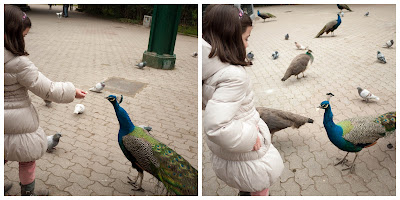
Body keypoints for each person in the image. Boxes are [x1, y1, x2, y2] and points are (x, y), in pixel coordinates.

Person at [4, 5, 87, 196]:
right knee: (27, 158)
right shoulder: (19, 64)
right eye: (23, 36)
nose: (24, 40)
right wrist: (71, 91)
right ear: (12, 35)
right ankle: (27, 193)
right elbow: (48, 89)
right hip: (19, 124)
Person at [202, 5, 284, 196]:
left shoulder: (210, 70)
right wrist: (251, 138)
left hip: (234, 154)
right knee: (259, 186)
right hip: (247, 151)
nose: (247, 45)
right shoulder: (233, 76)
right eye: (246, 39)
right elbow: (216, 127)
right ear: (231, 39)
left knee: (247, 185)